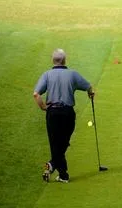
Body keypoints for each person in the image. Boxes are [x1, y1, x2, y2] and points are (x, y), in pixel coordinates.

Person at [33, 48, 94, 183]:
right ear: (65, 60)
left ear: (52, 61)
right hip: (67, 113)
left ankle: (54, 165)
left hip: (52, 113)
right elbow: (88, 86)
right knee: (63, 142)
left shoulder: (47, 75)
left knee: (55, 143)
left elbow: (36, 94)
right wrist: (90, 93)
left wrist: (43, 107)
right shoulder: (72, 74)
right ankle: (62, 174)